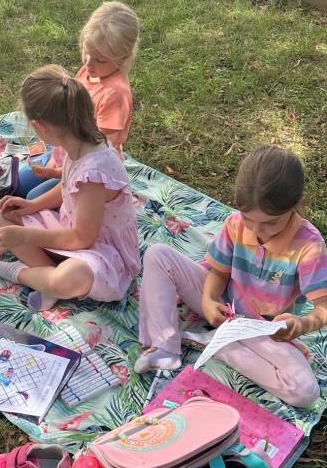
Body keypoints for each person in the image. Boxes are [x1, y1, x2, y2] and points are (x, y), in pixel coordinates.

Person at [135, 145, 327, 409]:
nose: (258, 230)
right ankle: (164, 347)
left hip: (262, 328)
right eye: (249, 219)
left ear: (298, 205)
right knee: (158, 254)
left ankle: (218, 344)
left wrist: (301, 325)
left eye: (271, 222)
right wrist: (209, 298)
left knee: (305, 392)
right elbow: (219, 272)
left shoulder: (309, 246)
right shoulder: (235, 224)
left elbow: (323, 307)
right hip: (225, 307)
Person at [0, 65, 140, 312]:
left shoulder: (94, 174)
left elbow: (83, 238)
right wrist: (33, 205)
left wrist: (25, 236)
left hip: (103, 253)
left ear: (41, 126)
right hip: (69, 228)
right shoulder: (80, 143)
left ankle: (17, 272)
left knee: (67, 278)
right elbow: (67, 186)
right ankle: (46, 278)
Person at [16, 1, 140, 200]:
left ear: (123, 58)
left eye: (100, 60)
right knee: (19, 182)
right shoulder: (90, 71)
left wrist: (59, 172)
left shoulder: (116, 94)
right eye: (86, 52)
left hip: (88, 170)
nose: (88, 64)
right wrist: (54, 160)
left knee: (32, 197)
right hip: (65, 150)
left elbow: (98, 153)